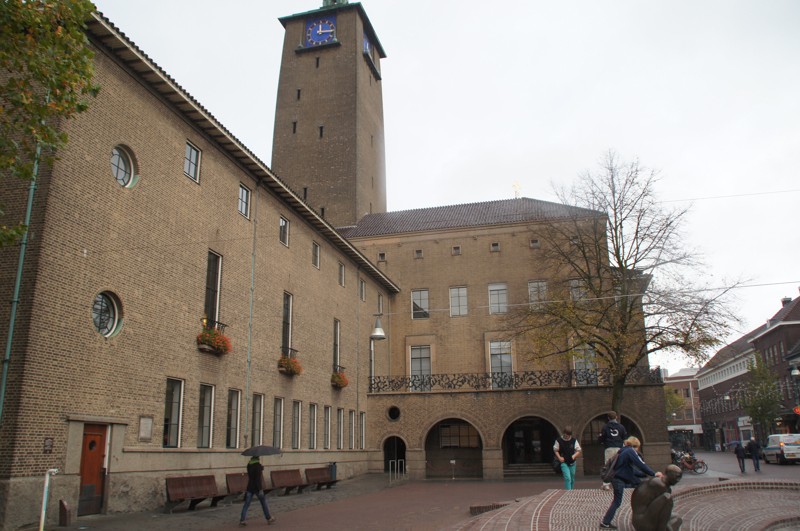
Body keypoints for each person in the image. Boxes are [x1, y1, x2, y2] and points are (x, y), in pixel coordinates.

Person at [601, 436, 663, 529]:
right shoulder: (630, 451)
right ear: (635, 445)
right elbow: (640, 464)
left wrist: (643, 474)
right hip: (619, 479)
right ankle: (605, 522)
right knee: (617, 501)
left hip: (618, 478)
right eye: (638, 447)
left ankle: (606, 522)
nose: (638, 450)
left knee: (637, 486)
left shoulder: (623, 450)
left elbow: (629, 469)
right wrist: (653, 473)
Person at [630, 464, 683, 531]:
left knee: (678, 519)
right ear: (669, 474)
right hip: (642, 521)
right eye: (677, 477)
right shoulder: (659, 485)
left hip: (648, 516)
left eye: (679, 478)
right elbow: (664, 512)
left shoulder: (665, 487)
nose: (678, 480)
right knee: (667, 498)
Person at [239, 456, 276, 526]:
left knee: (246, 504)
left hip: (250, 487)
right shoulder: (257, 466)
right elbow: (257, 479)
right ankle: (268, 518)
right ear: (257, 458)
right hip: (257, 488)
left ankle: (242, 520)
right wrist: (260, 489)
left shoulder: (249, 465)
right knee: (263, 503)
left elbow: (251, 475)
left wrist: (260, 468)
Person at [598, 411, 627, 490]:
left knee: (608, 465)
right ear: (616, 417)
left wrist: (601, 441)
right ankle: (620, 482)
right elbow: (624, 438)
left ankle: (606, 484)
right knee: (619, 465)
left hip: (609, 448)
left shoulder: (605, 427)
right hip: (619, 448)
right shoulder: (621, 427)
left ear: (608, 418)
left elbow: (602, 438)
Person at [553, 426, 582, 490]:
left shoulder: (574, 441)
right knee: (567, 478)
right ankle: (568, 492)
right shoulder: (559, 441)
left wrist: (573, 456)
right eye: (565, 435)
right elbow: (555, 450)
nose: (567, 437)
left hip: (572, 462)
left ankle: (571, 491)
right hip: (564, 462)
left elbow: (578, 450)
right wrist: (559, 457)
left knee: (572, 478)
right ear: (564, 433)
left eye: (568, 435)